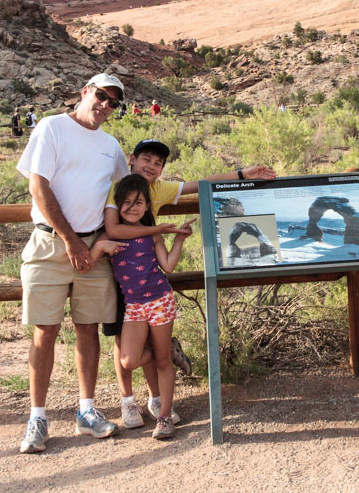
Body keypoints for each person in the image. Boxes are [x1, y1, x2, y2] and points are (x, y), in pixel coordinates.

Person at [103, 139, 276, 429]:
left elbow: (200, 183)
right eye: (146, 159)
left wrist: (242, 174)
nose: (151, 166)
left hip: (151, 281)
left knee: (152, 347)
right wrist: (157, 229)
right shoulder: (118, 189)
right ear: (132, 159)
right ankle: (128, 400)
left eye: (158, 163)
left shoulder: (159, 189)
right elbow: (112, 228)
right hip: (122, 278)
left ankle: (158, 402)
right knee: (123, 344)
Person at [16, 73, 128, 454]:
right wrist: (70, 240)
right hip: (51, 243)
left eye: (114, 102)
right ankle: (37, 417)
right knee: (44, 330)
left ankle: (86, 410)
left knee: (87, 328)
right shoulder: (52, 128)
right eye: (102, 96)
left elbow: (128, 191)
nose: (106, 105)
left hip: (94, 245)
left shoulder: (111, 146)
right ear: (85, 92)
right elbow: (38, 186)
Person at [94, 175, 195, 440]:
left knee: (162, 363)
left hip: (160, 301)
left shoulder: (153, 234)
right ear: (118, 205)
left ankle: (164, 418)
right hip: (134, 306)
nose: (131, 208)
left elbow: (168, 266)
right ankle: (167, 350)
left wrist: (179, 239)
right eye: (126, 203)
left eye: (138, 203)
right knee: (129, 360)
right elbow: (90, 260)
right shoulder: (110, 234)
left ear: (147, 206)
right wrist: (100, 246)